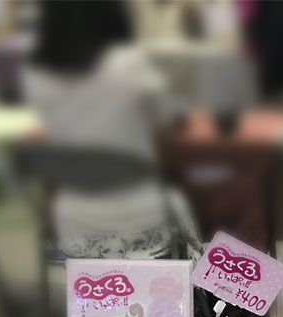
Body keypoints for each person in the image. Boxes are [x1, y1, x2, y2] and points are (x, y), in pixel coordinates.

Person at [23, 0, 200, 260]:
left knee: (97, 286)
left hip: (75, 220)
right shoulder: (129, 63)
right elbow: (164, 123)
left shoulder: (36, 72)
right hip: (137, 214)